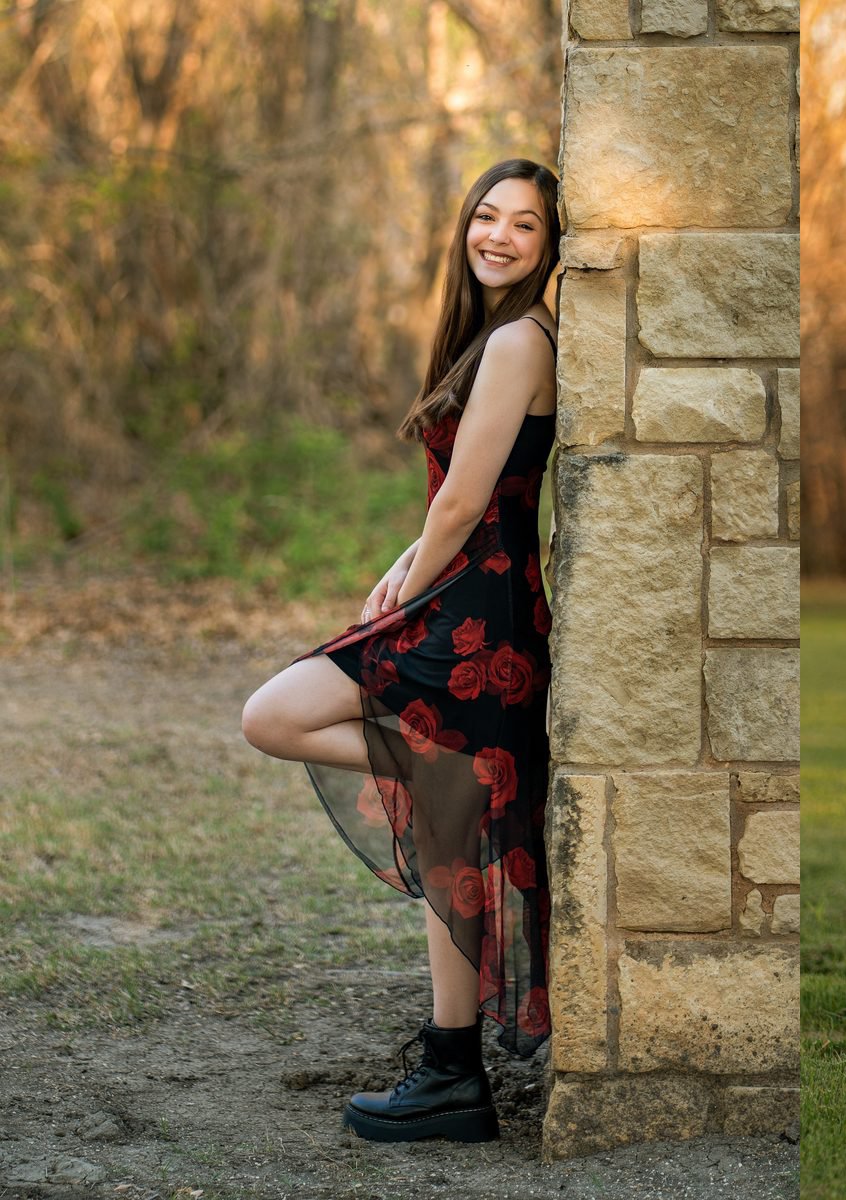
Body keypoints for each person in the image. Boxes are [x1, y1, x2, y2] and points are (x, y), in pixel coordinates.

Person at [240, 159, 562, 1143]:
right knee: (445, 834)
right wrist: (403, 559)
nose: (497, 236)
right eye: (485, 216)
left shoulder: (518, 340)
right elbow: (472, 489)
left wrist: (412, 587)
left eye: (525, 226)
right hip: (484, 601)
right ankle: (453, 1073)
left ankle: (451, 769)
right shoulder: (499, 336)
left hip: (476, 620)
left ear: (551, 250)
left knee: (274, 713)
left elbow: (467, 505)